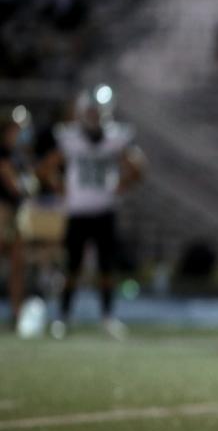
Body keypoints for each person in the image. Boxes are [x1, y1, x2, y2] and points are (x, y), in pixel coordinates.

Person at [39, 89, 145, 339]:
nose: (94, 116)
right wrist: (61, 187)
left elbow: (138, 167)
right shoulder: (70, 137)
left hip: (104, 211)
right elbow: (45, 168)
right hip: (78, 211)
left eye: (97, 112)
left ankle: (107, 316)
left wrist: (122, 185)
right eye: (90, 112)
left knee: (106, 267)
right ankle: (64, 316)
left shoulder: (114, 137)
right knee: (72, 266)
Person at [0, 112, 26, 326]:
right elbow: (12, 183)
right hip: (3, 211)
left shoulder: (16, 152)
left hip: (14, 211)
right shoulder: (3, 152)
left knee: (17, 264)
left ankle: (16, 312)